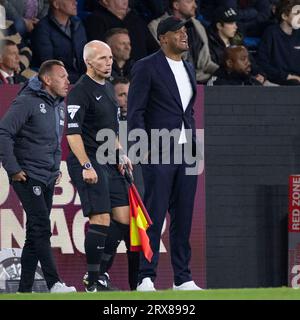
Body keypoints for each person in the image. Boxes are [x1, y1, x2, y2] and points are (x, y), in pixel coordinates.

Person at [127, 16, 201, 291]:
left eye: (185, 31)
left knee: (183, 217)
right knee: (154, 215)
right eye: (177, 31)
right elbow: (136, 112)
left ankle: (183, 278)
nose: (184, 35)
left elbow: (187, 111)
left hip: (186, 151)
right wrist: (141, 148)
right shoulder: (146, 67)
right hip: (158, 149)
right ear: (163, 38)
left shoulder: (190, 68)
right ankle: (145, 277)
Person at [0, 60, 76, 293]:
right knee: (42, 227)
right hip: (27, 175)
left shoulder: (59, 106)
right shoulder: (27, 101)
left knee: (34, 233)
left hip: (47, 176)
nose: (68, 81)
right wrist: (13, 169)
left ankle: (23, 291)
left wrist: (55, 170)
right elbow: (3, 133)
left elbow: (53, 143)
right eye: (62, 77)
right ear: (47, 80)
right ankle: (54, 283)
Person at [65, 40, 133, 292]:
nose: (109, 62)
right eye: (103, 58)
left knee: (123, 218)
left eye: (110, 58)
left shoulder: (107, 88)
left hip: (108, 160)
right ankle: (94, 281)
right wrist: (85, 165)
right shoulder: (79, 91)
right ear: (88, 62)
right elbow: (72, 134)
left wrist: (121, 154)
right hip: (89, 161)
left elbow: (112, 130)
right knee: (101, 218)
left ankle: (98, 274)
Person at [148, 0, 218, 83]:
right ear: (176, 5)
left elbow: (206, 63)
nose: (195, 6)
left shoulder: (198, 25)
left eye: (195, 2)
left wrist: (221, 71)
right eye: (189, 2)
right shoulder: (156, 26)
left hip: (202, 80)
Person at [31, 0, 87, 84]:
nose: (75, 2)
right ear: (56, 4)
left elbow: (85, 55)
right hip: (59, 80)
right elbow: (48, 63)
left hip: (81, 77)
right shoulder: (43, 29)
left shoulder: (78, 24)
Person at [84, 0, 159, 61]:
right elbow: (98, 54)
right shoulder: (96, 21)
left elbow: (154, 48)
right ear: (105, 1)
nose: (125, 1)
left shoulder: (136, 19)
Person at [257, 0, 300, 85]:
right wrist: (287, 76)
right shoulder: (271, 33)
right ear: (284, 16)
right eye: (296, 13)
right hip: (281, 80)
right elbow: (263, 63)